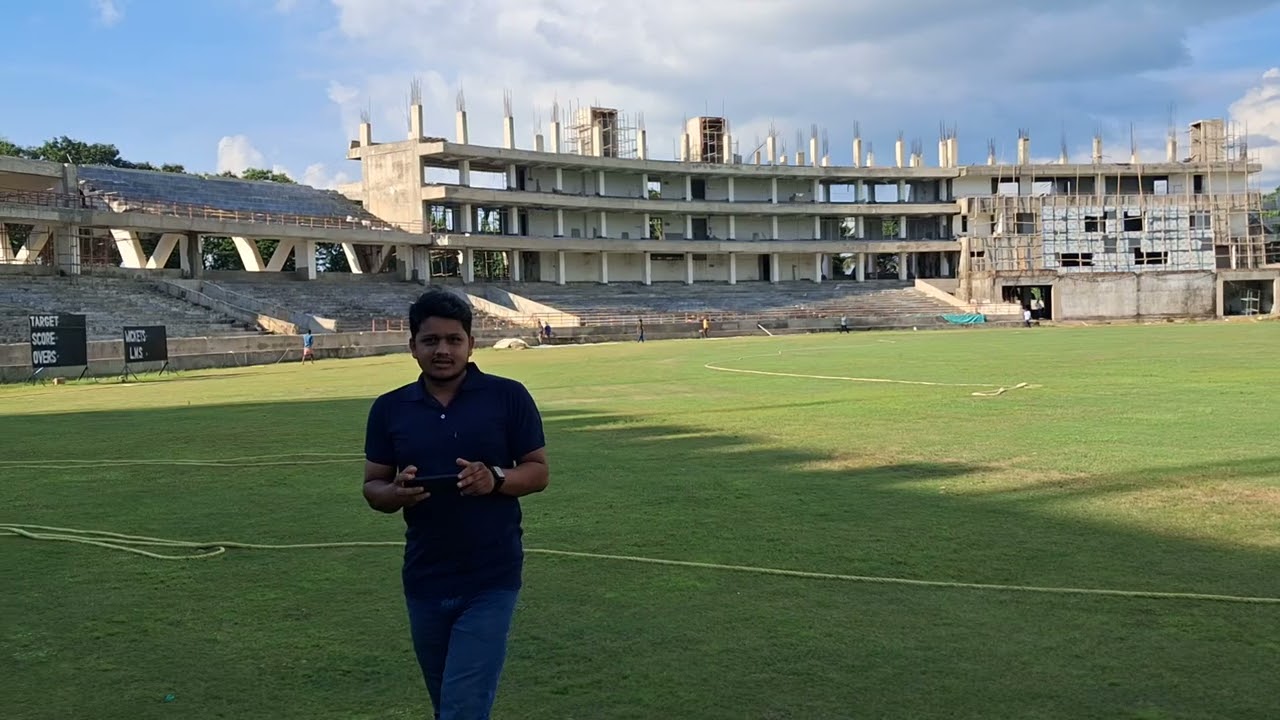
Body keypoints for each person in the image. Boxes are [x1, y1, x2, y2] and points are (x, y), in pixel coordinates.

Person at [362, 290, 549, 720]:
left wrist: (496, 478)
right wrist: (394, 494)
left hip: (491, 577)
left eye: (453, 339)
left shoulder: (508, 397)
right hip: (425, 577)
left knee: (462, 708)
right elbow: (373, 485)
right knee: (447, 702)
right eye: (430, 341)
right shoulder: (389, 409)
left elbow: (537, 472)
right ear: (412, 346)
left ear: (471, 343)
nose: (442, 350)